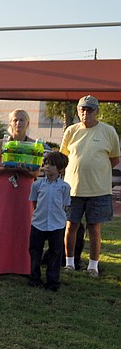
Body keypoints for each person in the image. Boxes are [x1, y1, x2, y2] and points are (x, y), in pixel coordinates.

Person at [60, 94, 120, 278]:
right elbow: (63, 157)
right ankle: (69, 263)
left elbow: (114, 159)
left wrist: (97, 172)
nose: (85, 113)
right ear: (78, 110)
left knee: (94, 228)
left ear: (97, 111)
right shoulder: (71, 131)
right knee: (71, 226)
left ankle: (93, 266)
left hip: (99, 190)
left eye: (90, 109)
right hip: (73, 189)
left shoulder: (108, 131)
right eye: (82, 109)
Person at [0, 109, 39, 275]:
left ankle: (21, 267)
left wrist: (23, 169)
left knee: (23, 225)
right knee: (1, 224)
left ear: (27, 123)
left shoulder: (34, 144)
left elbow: (36, 173)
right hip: (5, 187)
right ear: (10, 123)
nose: (18, 123)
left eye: (22, 120)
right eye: (15, 120)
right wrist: (7, 167)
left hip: (24, 188)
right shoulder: (2, 143)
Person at [28, 151, 71, 292]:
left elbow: (65, 204)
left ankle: (52, 281)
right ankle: (34, 278)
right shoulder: (37, 185)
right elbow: (34, 202)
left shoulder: (64, 187)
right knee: (35, 251)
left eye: (51, 165)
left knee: (56, 252)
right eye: (45, 164)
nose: (47, 167)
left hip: (56, 225)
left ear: (60, 168)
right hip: (38, 224)